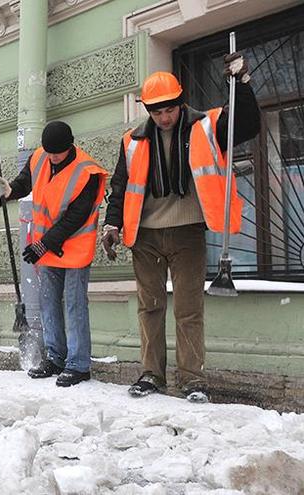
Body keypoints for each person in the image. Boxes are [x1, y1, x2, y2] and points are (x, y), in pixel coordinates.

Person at [101, 53, 261, 403]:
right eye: (156, 112)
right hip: (145, 235)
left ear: (180, 101)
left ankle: (192, 379)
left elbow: (247, 124)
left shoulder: (205, 125)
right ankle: (151, 375)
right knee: (150, 306)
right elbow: (120, 186)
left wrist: (242, 83)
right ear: (148, 110)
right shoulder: (132, 141)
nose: (164, 117)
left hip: (188, 230)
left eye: (169, 110)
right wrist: (111, 223)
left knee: (189, 308)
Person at [0, 121, 108, 387]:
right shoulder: (40, 157)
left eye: (58, 152)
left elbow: (75, 218)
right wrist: (10, 190)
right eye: (49, 152)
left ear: (70, 146)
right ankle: (56, 358)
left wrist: (43, 244)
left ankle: (78, 365)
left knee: (74, 305)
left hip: (75, 247)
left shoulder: (87, 171)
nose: (53, 157)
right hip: (47, 247)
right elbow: (26, 181)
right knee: (48, 303)